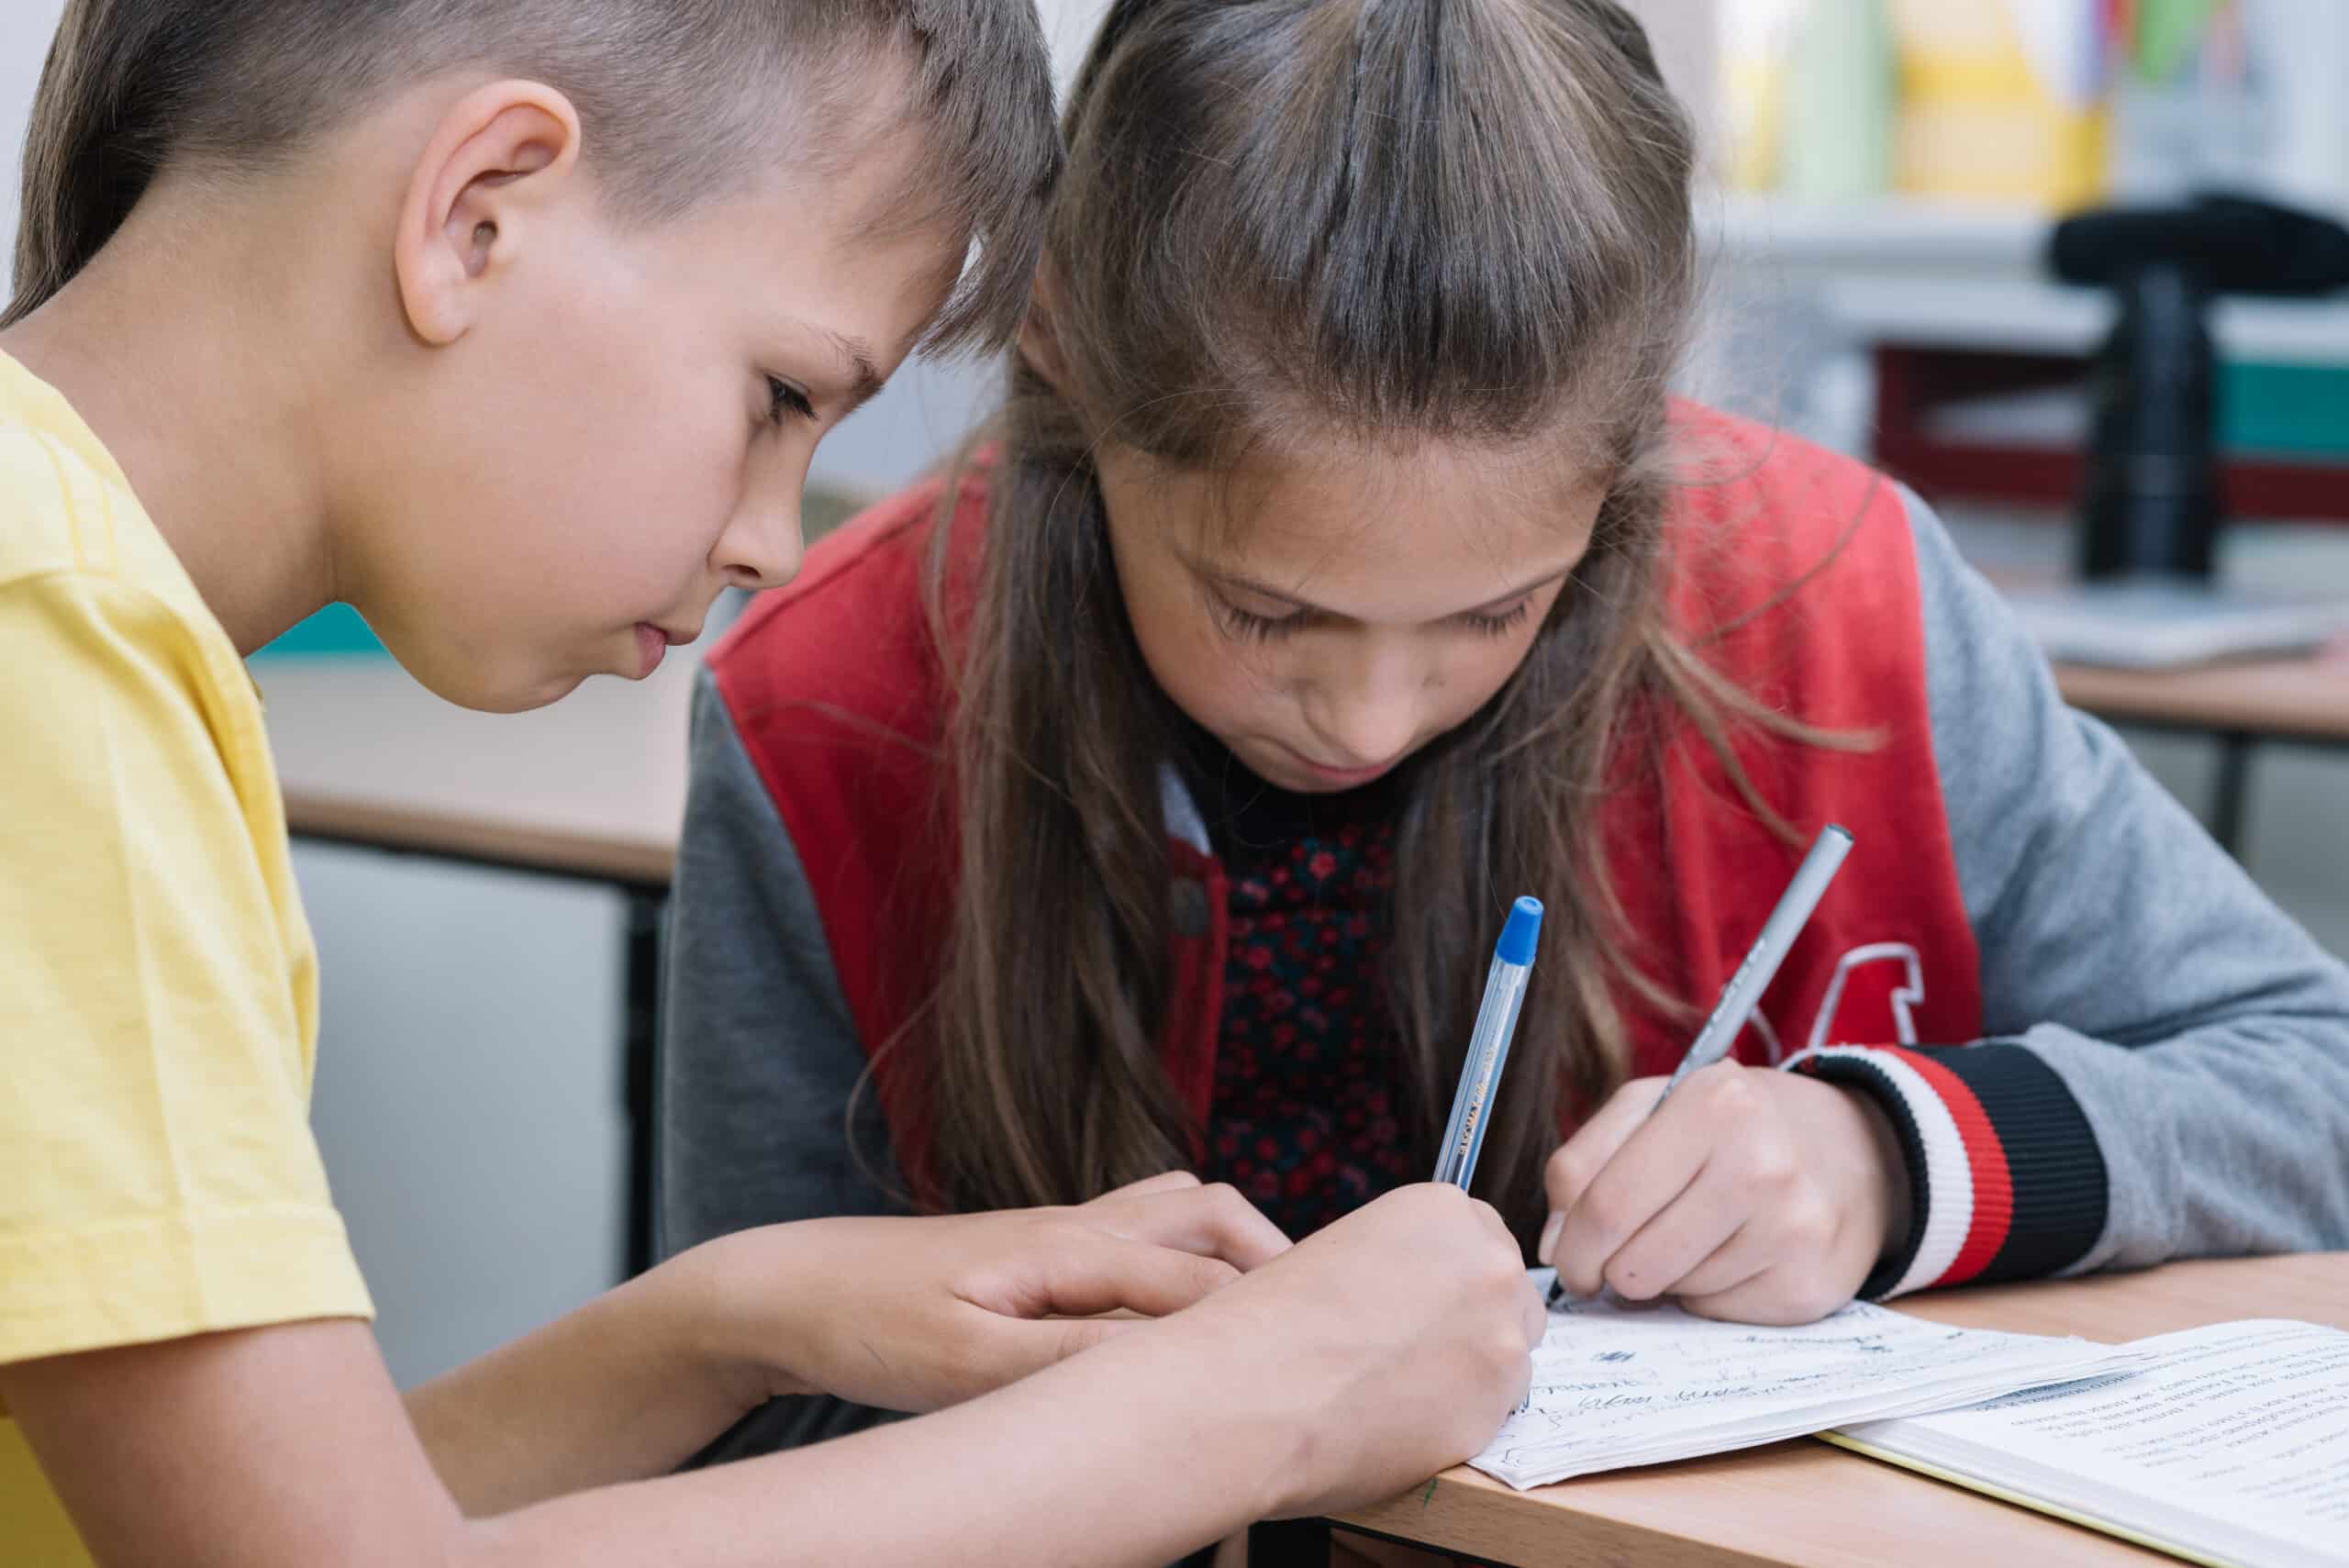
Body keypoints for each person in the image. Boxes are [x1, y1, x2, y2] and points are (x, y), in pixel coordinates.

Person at [662, 0, 2349, 1462]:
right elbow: (736, 1413)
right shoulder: (830, 707)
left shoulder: (1844, 608)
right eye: (1268, 611)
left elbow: (2312, 1080)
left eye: (1492, 612)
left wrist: (1891, 1153)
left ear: (1628, 462)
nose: (1371, 716)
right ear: (1062, 364)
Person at [0, 3, 1545, 1563]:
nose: (772, 545)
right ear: (478, 214)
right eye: (784, 399)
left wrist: (728, 1321)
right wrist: (1266, 1391)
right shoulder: (43, 642)